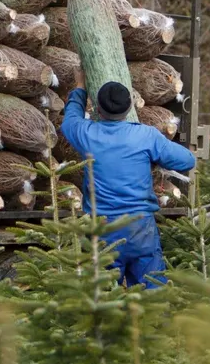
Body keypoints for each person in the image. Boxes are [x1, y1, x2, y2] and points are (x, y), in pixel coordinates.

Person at [61, 77, 196, 288]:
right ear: (130, 107)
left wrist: (79, 87)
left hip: (103, 229)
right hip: (141, 228)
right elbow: (187, 160)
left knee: (102, 300)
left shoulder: (86, 133)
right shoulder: (146, 136)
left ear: (98, 108)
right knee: (152, 295)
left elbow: (69, 120)